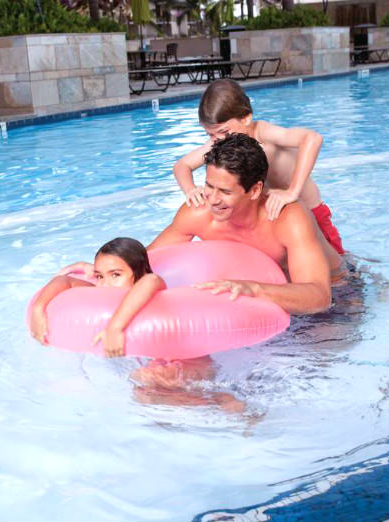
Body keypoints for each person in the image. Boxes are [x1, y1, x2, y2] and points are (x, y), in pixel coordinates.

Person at [151, 132, 344, 315]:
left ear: (254, 190)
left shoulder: (287, 218)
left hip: (336, 292)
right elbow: (143, 261)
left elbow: (320, 297)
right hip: (259, 297)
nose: (213, 200)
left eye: (226, 192)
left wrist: (253, 289)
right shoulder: (198, 213)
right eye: (209, 186)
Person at [173, 78, 345, 255]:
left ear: (246, 118)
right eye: (210, 135)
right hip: (274, 219)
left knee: (337, 273)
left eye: (224, 132)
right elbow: (182, 165)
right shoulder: (222, 141)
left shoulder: (263, 133)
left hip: (310, 214)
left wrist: (292, 191)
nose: (218, 140)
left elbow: (312, 139)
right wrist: (190, 190)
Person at [29, 237, 165, 357]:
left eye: (115, 275)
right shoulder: (100, 294)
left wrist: (114, 328)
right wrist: (38, 308)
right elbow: (64, 281)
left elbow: (151, 280)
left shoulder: (150, 289)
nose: (105, 284)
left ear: (141, 272)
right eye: (99, 276)